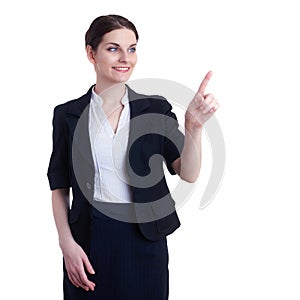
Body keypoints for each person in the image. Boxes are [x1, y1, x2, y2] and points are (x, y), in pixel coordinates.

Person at [47, 14, 219, 300]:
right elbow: (59, 185)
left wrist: (194, 128)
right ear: (91, 53)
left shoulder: (155, 108)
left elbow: (187, 171)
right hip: (88, 239)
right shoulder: (68, 115)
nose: (125, 57)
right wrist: (67, 244)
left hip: (144, 239)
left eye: (132, 48)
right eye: (113, 48)